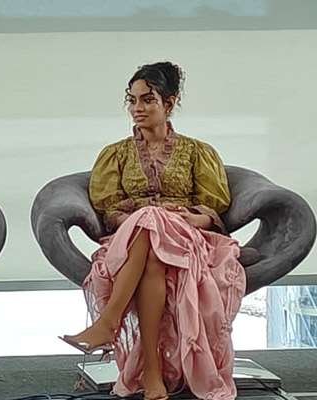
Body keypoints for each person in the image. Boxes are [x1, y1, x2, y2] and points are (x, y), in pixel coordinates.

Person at [60, 62, 245, 400]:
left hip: (185, 236)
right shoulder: (115, 154)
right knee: (149, 231)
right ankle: (151, 374)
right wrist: (146, 217)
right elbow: (110, 211)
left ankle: (112, 326)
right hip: (131, 238)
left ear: (169, 103)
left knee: (154, 231)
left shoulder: (198, 152)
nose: (137, 108)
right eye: (132, 100)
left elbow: (212, 207)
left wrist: (192, 219)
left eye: (147, 100)